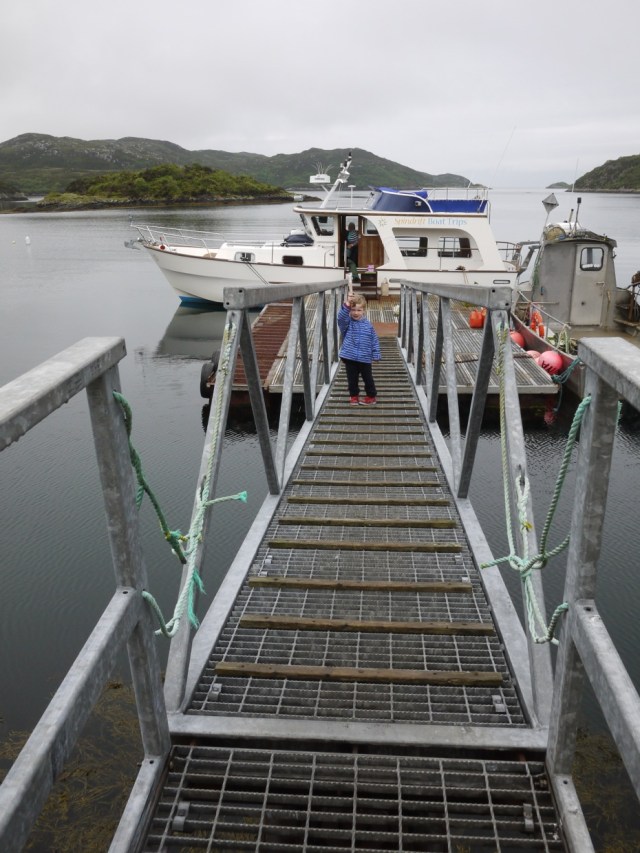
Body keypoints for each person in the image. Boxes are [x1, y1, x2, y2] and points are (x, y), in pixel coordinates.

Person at [338, 292, 381, 405]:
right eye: (353, 310)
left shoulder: (368, 325)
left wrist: (376, 353)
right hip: (350, 357)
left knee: (368, 378)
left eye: (359, 310)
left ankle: (371, 396)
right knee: (352, 379)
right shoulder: (347, 323)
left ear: (364, 311)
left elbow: (374, 340)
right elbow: (341, 318)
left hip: (365, 357)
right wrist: (347, 304)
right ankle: (354, 396)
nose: (356, 313)